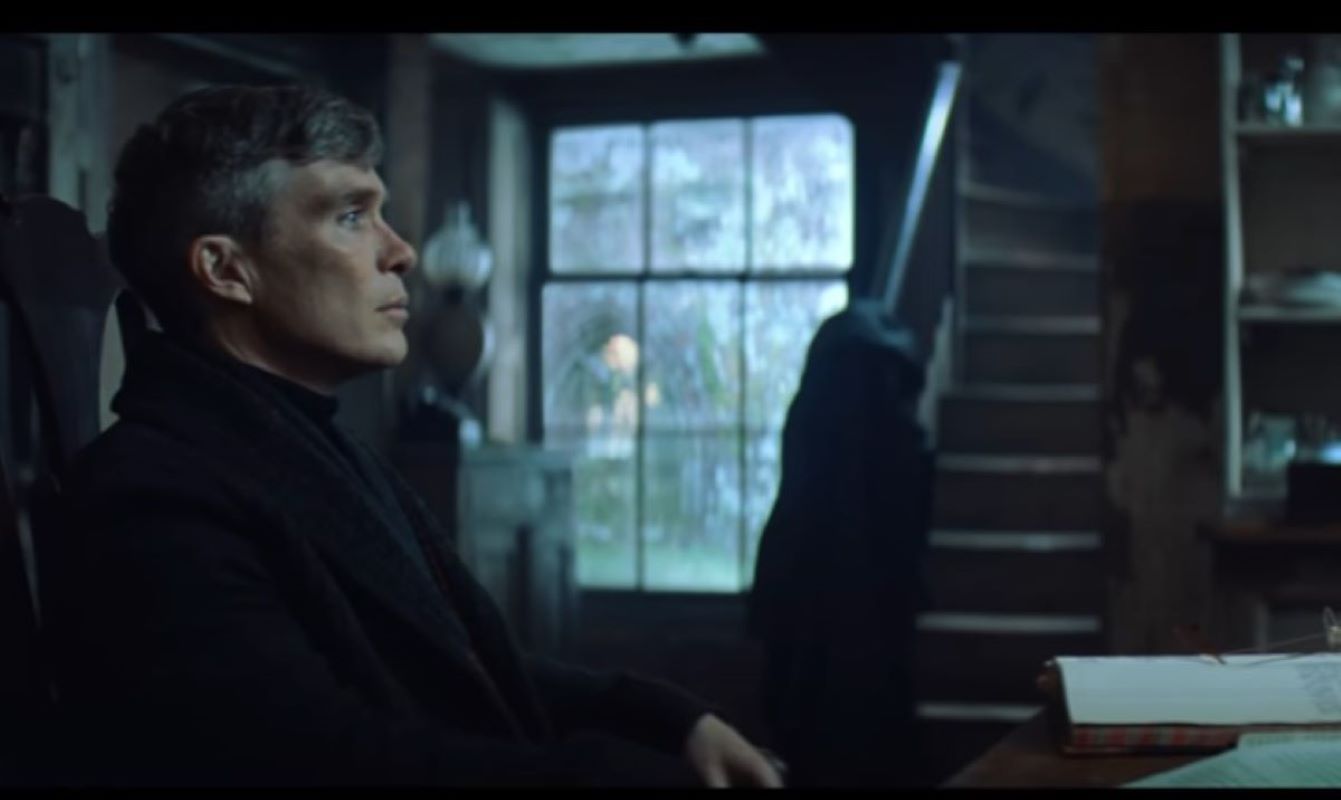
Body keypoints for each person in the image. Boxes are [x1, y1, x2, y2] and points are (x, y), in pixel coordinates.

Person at [43, 84, 783, 788]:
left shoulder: (308, 444)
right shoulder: (152, 493)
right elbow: (320, 762)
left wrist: (666, 720)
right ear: (225, 268)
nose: (400, 251)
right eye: (350, 216)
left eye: (380, 213)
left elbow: (454, 669)